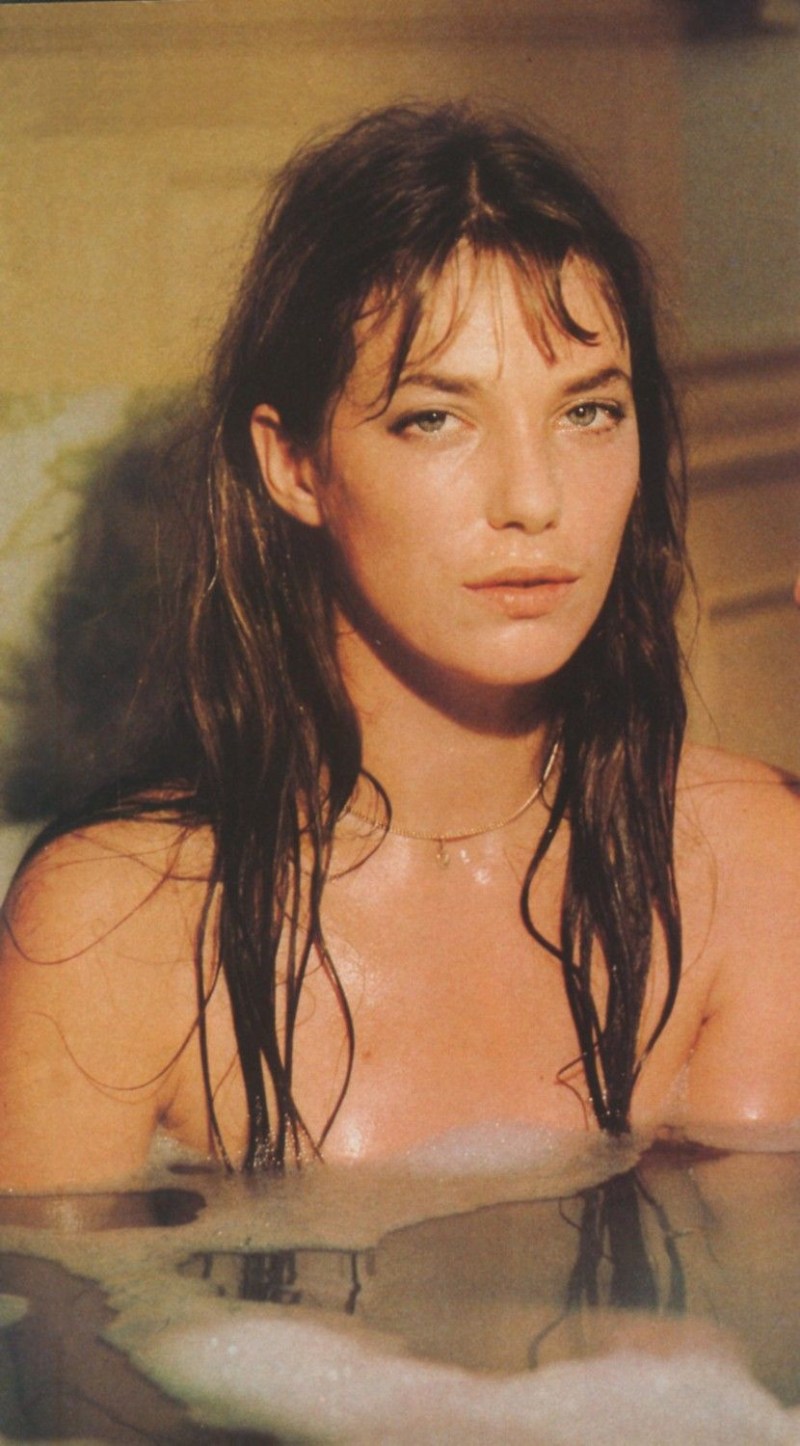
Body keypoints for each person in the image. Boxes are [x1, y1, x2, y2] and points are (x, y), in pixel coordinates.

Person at [0, 103, 797, 1191]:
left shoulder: (750, 863)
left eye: (587, 412)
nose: (534, 500)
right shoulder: (116, 925)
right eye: (435, 417)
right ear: (294, 466)